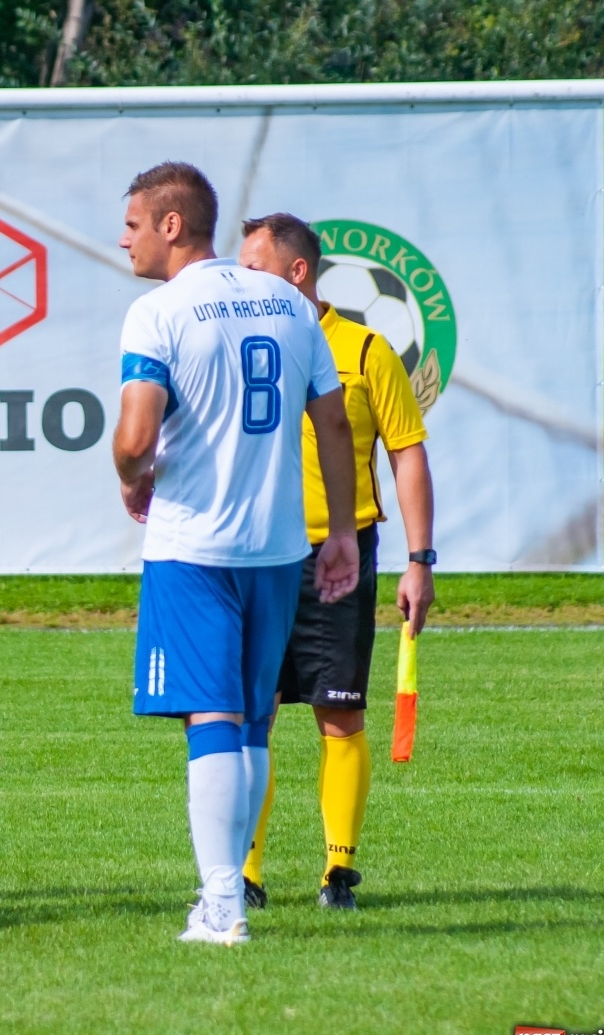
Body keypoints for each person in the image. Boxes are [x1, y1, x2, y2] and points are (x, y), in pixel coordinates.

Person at [111, 163, 360, 945]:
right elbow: (336, 427)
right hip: (279, 546)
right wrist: (344, 531)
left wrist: (131, 480)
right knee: (252, 723)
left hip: (195, 544)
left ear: (172, 224)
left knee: (212, 718)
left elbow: (135, 438)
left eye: (133, 225)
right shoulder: (291, 303)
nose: (125, 240)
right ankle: (225, 893)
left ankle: (222, 902)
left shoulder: (157, 312)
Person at [237, 213, 435, 910]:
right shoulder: (240, 345)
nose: (240, 280)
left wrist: (420, 559)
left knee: (338, 714)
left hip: (338, 555)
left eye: (253, 267)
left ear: (297, 273)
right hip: (255, 552)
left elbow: (406, 450)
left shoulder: (365, 348)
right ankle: (246, 872)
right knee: (248, 715)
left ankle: (338, 872)